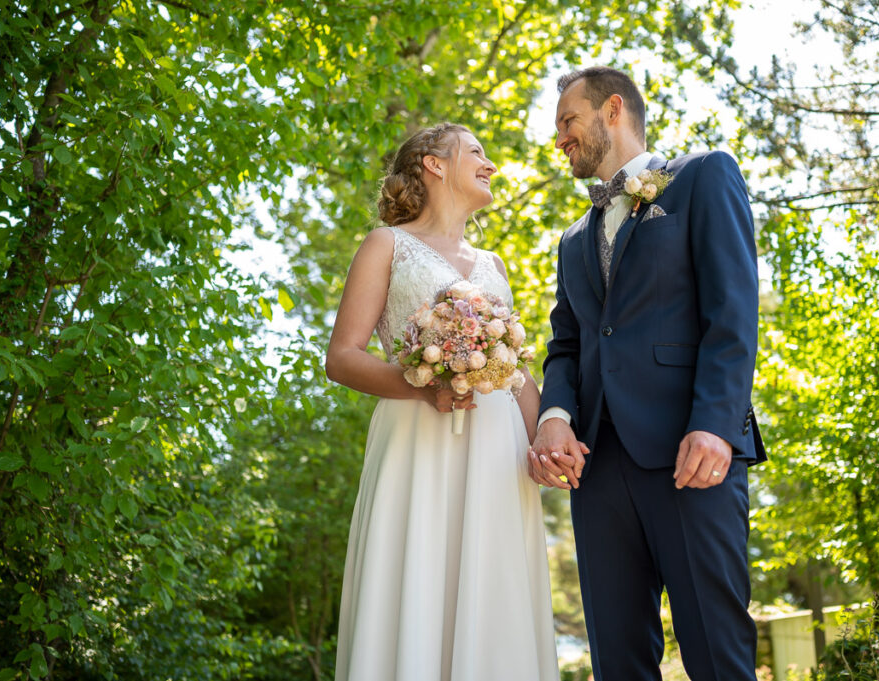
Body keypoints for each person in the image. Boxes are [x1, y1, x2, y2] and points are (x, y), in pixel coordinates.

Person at [528, 66, 767, 681]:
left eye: (567, 121)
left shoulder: (702, 175)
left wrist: (715, 424)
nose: (560, 139)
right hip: (599, 470)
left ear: (613, 110)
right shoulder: (571, 239)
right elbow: (567, 343)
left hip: (692, 453)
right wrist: (554, 418)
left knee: (716, 649)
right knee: (618, 661)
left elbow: (732, 311)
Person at [326, 123, 558, 681]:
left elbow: (513, 370)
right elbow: (342, 356)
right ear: (433, 163)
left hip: (497, 452)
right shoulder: (387, 244)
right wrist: (422, 386)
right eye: (477, 153)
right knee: (418, 577)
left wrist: (551, 434)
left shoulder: (494, 264)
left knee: (493, 586)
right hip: (416, 439)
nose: (491, 165)